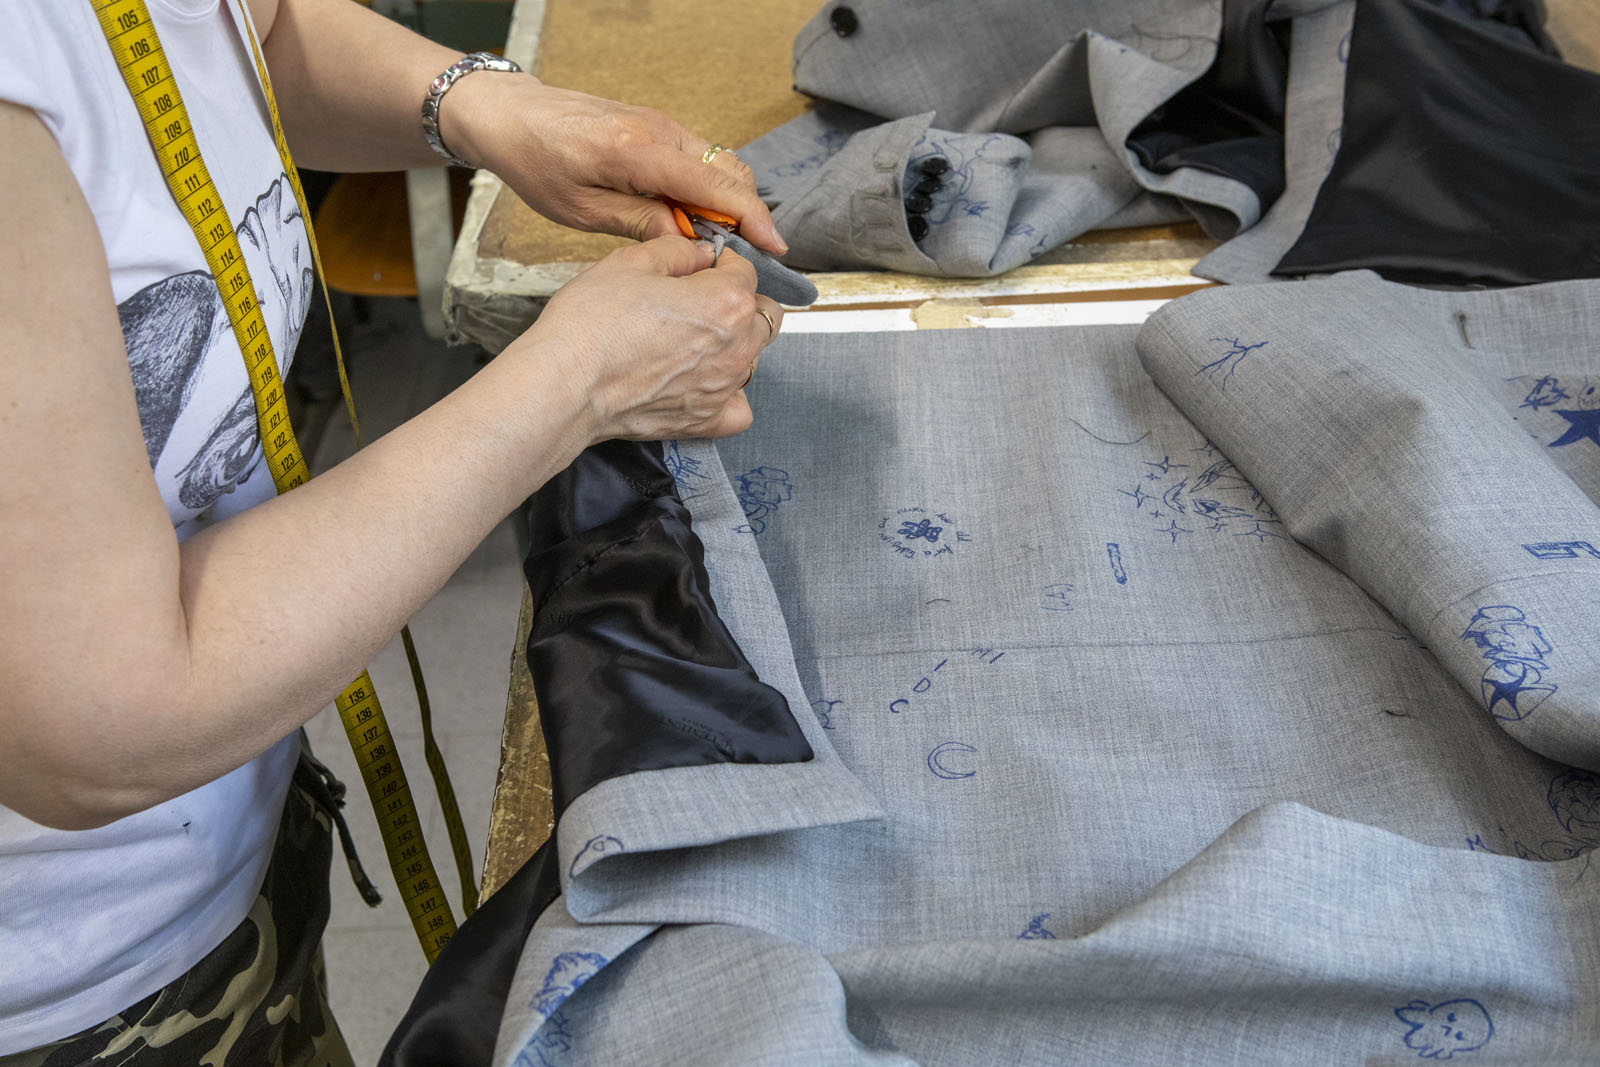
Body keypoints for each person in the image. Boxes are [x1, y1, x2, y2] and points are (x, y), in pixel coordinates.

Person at [0, 0, 787, 1061]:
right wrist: (578, 383)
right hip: (74, 993)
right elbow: (103, 727)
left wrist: (487, 108)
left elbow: (253, 34)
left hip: (228, 829)